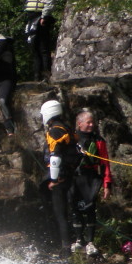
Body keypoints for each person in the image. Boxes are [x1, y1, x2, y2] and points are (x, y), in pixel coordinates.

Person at [69, 109, 114, 256]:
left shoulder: (98, 140)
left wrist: (107, 184)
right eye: (88, 122)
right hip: (74, 177)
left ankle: (90, 242)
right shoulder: (72, 138)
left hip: (91, 178)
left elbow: (105, 164)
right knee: (75, 208)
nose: (91, 125)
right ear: (79, 123)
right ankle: (78, 240)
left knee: (89, 209)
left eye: (92, 122)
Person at [40, 99, 78, 254]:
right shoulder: (66, 127)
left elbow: (55, 157)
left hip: (60, 176)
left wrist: (54, 180)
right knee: (68, 210)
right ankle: (71, 244)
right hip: (69, 174)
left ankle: (65, 248)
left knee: (60, 213)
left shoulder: (55, 131)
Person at [22, 0, 55, 81]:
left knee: (43, 49)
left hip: (40, 19)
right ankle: (37, 77)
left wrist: (44, 17)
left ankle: (46, 76)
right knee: (35, 49)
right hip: (32, 20)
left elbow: (49, 0)